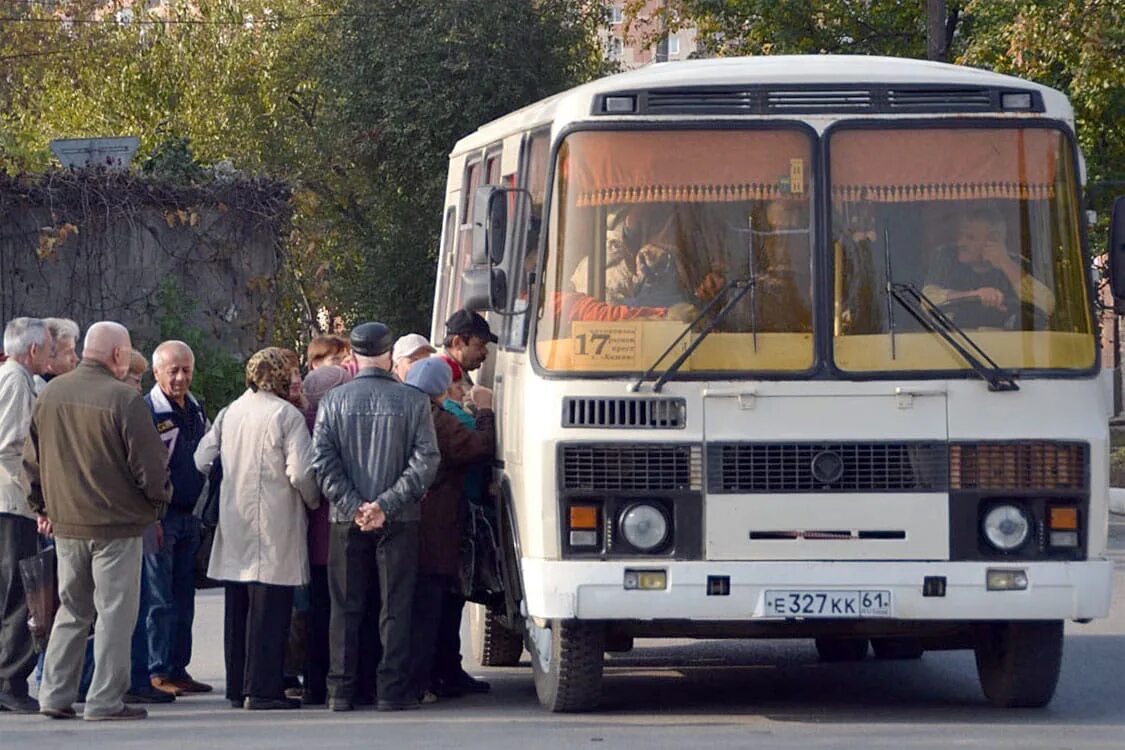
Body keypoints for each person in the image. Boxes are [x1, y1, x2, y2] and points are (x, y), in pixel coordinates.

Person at [23, 321, 170, 721]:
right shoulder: (124, 399)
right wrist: (157, 503)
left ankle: (54, 694)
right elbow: (151, 467)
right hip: (116, 526)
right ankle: (105, 700)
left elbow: (31, 461)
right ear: (119, 355)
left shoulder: (50, 393)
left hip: (67, 524)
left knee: (72, 610)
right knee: (115, 614)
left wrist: (42, 508)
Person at [311, 322, 439, 712]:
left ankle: (341, 690)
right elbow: (426, 460)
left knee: (345, 607)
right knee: (395, 606)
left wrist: (355, 505)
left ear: (353, 355)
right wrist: (386, 504)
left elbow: (322, 462)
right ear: (387, 356)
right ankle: (391, 690)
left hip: (345, 519)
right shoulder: (414, 400)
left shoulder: (333, 401)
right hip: (399, 519)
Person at [193, 348, 318, 711]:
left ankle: (236, 687)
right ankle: (263, 689)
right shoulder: (287, 415)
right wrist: (311, 502)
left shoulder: (230, 411)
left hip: (235, 520)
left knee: (238, 608)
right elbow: (300, 472)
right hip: (275, 522)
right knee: (271, 609)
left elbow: (202, 457)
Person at [404, 358, 495, 702]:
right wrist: (485, 412)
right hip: (436, 521)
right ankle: (427, 677)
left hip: (406, 521)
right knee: (433, 601)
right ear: (441, 387)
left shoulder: (405, 408)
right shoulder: (436, 417)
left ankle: (439, 672)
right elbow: (476, 447)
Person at [143, 342, 211, 698]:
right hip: (160, 518)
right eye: (173, 371)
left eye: (186, 370)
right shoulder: (148, 409)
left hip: (189, 517)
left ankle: (178, 667)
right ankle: (156, 670)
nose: (181, 377)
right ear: (157, 372)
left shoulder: (195, 407)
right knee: (159, 598)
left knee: (185, 596)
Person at [0, 318, 54, 714]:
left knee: (13, 592)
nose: (51, 356)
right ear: (32, 350)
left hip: (10, 501)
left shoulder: (14, 377)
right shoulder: (16, 380)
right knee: (19, 594)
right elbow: (9, 446)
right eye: (49, 349)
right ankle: (10, 681)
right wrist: (35, 498)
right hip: (12, 503)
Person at [298, 364, 354, 706]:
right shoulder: (331, 424)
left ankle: (313, 682)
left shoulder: (303, 420)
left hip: (311, 534)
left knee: (317, 611)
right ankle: (334, 679)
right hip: (333, 531)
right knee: (338, 610)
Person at [922, 207, 1056, 328]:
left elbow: (1046, 306)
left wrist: (1005, 263)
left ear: (993, 241)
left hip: (1008, 348)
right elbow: (927, 301)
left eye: (970, 237)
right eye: (960, 236)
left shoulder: (1017, 264)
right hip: (954, 344)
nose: (960, 243)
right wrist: (974, 295)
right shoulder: (947, 258)